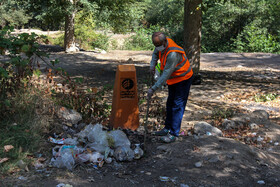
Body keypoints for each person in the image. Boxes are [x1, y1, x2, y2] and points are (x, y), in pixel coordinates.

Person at [147, 32, 194, 143]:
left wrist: (153, 89)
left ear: (164, 42)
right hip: (174, 79)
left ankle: (173, 133)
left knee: (177, 105)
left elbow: (165, 74)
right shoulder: (160, 45)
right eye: (155, 45)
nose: (157, 47)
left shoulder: (172, 53)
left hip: (183, 79)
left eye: (159, 45)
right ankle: (167, 128)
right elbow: (155, 53)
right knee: (170, 103)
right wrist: (152, 64)